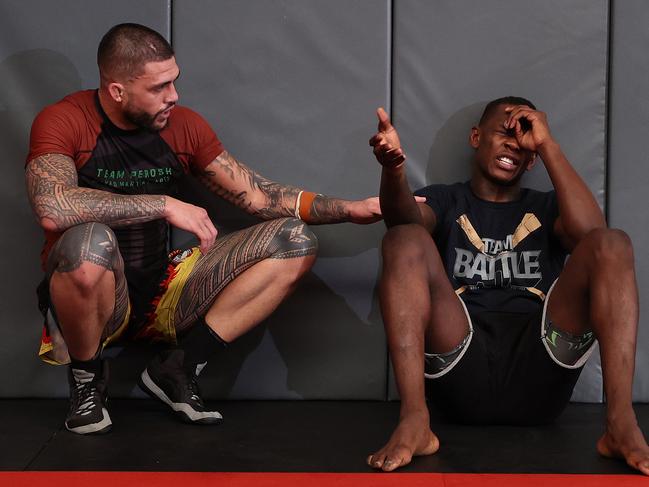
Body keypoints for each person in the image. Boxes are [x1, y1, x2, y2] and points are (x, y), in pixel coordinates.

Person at [25, 22, 385, 435]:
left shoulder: (182, 125)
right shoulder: (64, 120)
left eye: (174, 82)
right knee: (90, 243)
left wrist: (352, 208)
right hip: (99, 299)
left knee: (294, 239)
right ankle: (87, 383)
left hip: (164, 289)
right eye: (159, 87)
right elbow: (52, 206)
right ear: (117, 91)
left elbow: (261, 197)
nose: (173, 96)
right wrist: (163, 204)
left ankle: (176, 368)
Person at [366, 97, 649, 475]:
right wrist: (393, 171)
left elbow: (591, 235)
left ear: (532, 159)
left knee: (613, 243)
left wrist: (547, 145)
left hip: (540, 367)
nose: (514, 144)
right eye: (504, 133)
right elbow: (402, 219)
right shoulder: (448, 199)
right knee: (404, 239)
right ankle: (415, 421)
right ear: (476, 136)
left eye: (525, 140)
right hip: (460, 363)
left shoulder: (547, 208)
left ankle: (619, 423)